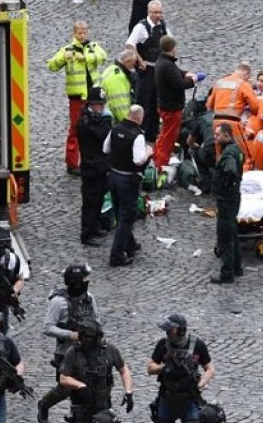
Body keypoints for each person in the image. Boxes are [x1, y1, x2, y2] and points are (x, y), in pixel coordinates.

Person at [147, 313, 214, 423]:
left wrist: (200, 384)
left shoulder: (197, 345)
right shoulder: (163, 345)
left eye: (171, 329)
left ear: (181, 330)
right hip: (167, 399)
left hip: (189, 400)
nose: (168, 333)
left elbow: (210, 368)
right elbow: (150, 367)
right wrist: (164, 367)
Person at [37, 264, 101, 423]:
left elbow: (96, 320)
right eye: (84, 279)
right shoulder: (58, 302)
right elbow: (47, 328)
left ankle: (83, 418)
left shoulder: (89, 298)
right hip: (66, 351)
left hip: (88, 349)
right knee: (65, 387)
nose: (87, 282)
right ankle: (44, 404)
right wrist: (70, 335)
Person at [58, 318, 135, 423]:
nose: (84, 339)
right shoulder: (73, 352)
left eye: (87, 336)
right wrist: (79, 385)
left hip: (103, 404)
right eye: (82, 335)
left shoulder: (109, 349)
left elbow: (123, 370)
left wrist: (128, 392)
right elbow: (63, 378)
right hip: (82, 406)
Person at [48, 22, 108, 175]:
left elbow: (103, 56)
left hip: (93, 96)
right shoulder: (67, 50)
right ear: (74, 33)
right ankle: (72, 163)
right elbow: (52, 66)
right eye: (79, 33)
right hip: (77, 97)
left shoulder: (93, 46)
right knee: (75, 129)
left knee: (97, 128)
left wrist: (85, 57)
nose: (82, 36)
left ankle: (94, 159)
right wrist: (63, 59)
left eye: (84, 33)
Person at [104, 104, 151, 267]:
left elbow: (105, 148)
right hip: (127, 180)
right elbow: (138, 160)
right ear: (139, 117)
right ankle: (116, 255)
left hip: (113, 176)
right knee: (127, 217)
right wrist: (149, 153)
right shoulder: (137, 135)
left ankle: (130, 244)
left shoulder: (116, 128)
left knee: (119, 212)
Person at [152, 35, 201, 170]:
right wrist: (193, 80)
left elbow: (177, 73)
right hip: (171, 108)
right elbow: (178, 84)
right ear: (173, 48)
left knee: (164, 135)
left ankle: (157, 158)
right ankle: (160, 165)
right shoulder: (167, 65)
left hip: (164, 105)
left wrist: (187, 74)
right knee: (168, 138)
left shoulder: (162, 62)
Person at [126, 1, 168, 142]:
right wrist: (139, 60)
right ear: (149, 12)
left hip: (158, 69)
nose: (158, 15)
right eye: (155, 13)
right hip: (146, 70)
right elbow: (130, 44)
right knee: (143, 101)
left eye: (159, 12)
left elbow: (170, 41)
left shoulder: (163, 25)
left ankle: (152, 133)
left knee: (157, 101)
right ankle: (140, 132)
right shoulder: (141, 27)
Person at [77, 88, 113, 246]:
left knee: (99, 199)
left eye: (102, 104)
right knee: (90, 202)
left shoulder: (96, 118)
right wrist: (105, 122)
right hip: (91, 167)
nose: (102, 107)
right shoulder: (85, 122)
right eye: (99, 105)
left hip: (100, 166)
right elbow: (102, 135)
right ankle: (87, 233)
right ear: (91, 104)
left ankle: (95, 226)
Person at [209, 123, 243, 284]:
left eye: (218, 135)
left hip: (227, 199)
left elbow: (230, 170)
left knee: (225, 236)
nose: (215, 137)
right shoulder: (235, 149)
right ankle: (237, 267)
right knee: (233, 232)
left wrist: (227, 184)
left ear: (227, 136)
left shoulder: (228, 154)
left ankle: (227, 274)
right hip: (234, 197)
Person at [206, 62, 260, 149]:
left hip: (217, 123)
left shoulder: (220, 82)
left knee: (220, 154)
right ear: (246, 74)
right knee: (243, 153)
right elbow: (255, 108)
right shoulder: (243, 84)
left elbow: (209, 105)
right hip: (233, 123)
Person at [99, 48, 139, 123]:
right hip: (109, 119)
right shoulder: (119, 78)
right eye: (133, 64)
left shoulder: (111, 69)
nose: (133, 68)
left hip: (101, 112)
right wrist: (128, 124)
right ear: (127, 62)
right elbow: (119, 106)